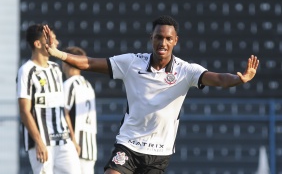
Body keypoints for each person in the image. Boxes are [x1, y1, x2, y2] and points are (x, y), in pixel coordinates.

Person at [43, 15, 259, 174]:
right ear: (151, 38)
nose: (162, 43)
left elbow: (219, 79)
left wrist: (239, 79)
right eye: (158, 37)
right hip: (128, 144)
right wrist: (57, 53)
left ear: (175, 40)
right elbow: (89, 62)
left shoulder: (186, 71)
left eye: (167, 38)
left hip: (159, 153)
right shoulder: (131, 63)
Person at [16, 24, 81, 174]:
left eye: (55, 38)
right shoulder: (26, 71)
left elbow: (62, 108)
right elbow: (24, 111)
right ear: (38, 44)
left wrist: (73, 139)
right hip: (42, 143)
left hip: (64, 141)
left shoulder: (56, 69)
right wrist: (39, 142)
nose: (55, 42)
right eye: (51, 39)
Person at [62, 46, 97, 174]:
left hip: (75, 147)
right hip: (90, 148)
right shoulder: (88, 85)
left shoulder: (69, 85)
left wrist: (73, 141)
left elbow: (64, 113)